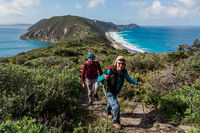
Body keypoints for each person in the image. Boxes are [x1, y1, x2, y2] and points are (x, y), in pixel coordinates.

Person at [97, 56, 140, 129]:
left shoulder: (124, 72)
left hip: (116, 91)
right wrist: (103, 77)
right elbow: (98, 79)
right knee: (116, 105)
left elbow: (129, 79)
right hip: (108, 90)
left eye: (123, 64)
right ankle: (116, 121)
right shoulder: (110, 70)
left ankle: (108, 111)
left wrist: (136, 82)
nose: (121, 65)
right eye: (119, 63)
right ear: (116, 63)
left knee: (111, 102)